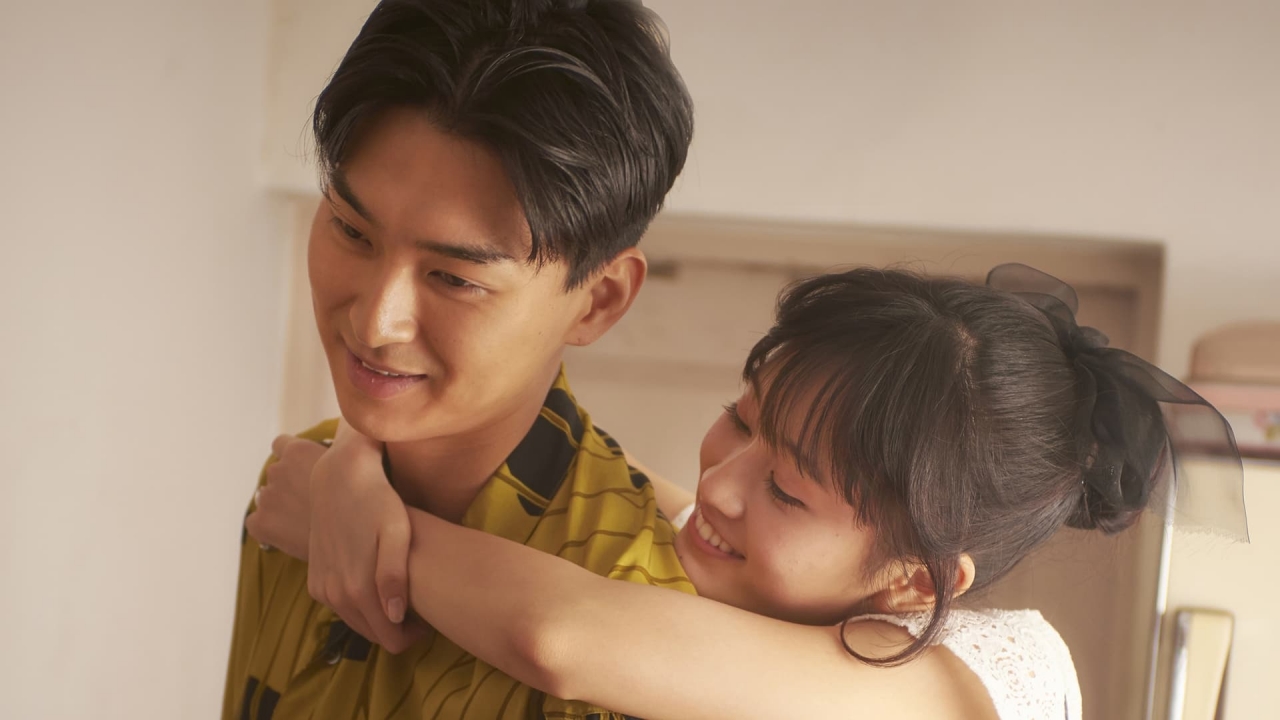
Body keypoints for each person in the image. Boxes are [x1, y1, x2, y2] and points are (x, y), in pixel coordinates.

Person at [250, 264, 1246, 719]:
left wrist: (346, 523)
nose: (720, 485)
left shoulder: (977, 683)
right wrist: (353, 461)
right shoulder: (762, 559)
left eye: (787, 490)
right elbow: (623, 479)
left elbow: (564, 641)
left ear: (917, 579)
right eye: (739, 416)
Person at [221, 1, 696, 718]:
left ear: (597, 302)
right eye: (351, 230)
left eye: (454, 278)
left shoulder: (641, 628)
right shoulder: (297, 488)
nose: (375, 322)